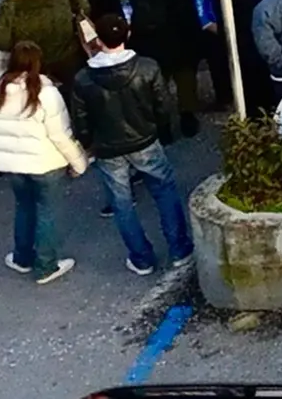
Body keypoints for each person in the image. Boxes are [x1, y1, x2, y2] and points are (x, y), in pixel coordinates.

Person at [65, 16, 189, 274]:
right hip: (145, 139)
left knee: (121, 203)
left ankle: (141, 258)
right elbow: (163, 106)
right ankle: (180, 249)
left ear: (97, 40)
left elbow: (81, 121)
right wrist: (157, 127)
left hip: (109, 148)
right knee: (164, 192)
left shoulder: (84, 79)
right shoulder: (147, 67)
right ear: (128, 33)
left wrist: (89, 143)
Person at [0, 40, 85, 283]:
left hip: (12, 165)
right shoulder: (46, 94)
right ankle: (46, 265)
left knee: (24, 207)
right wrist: (78, 162)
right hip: (46, 164)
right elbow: (60, 134)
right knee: (48, 212)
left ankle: (22, 257)